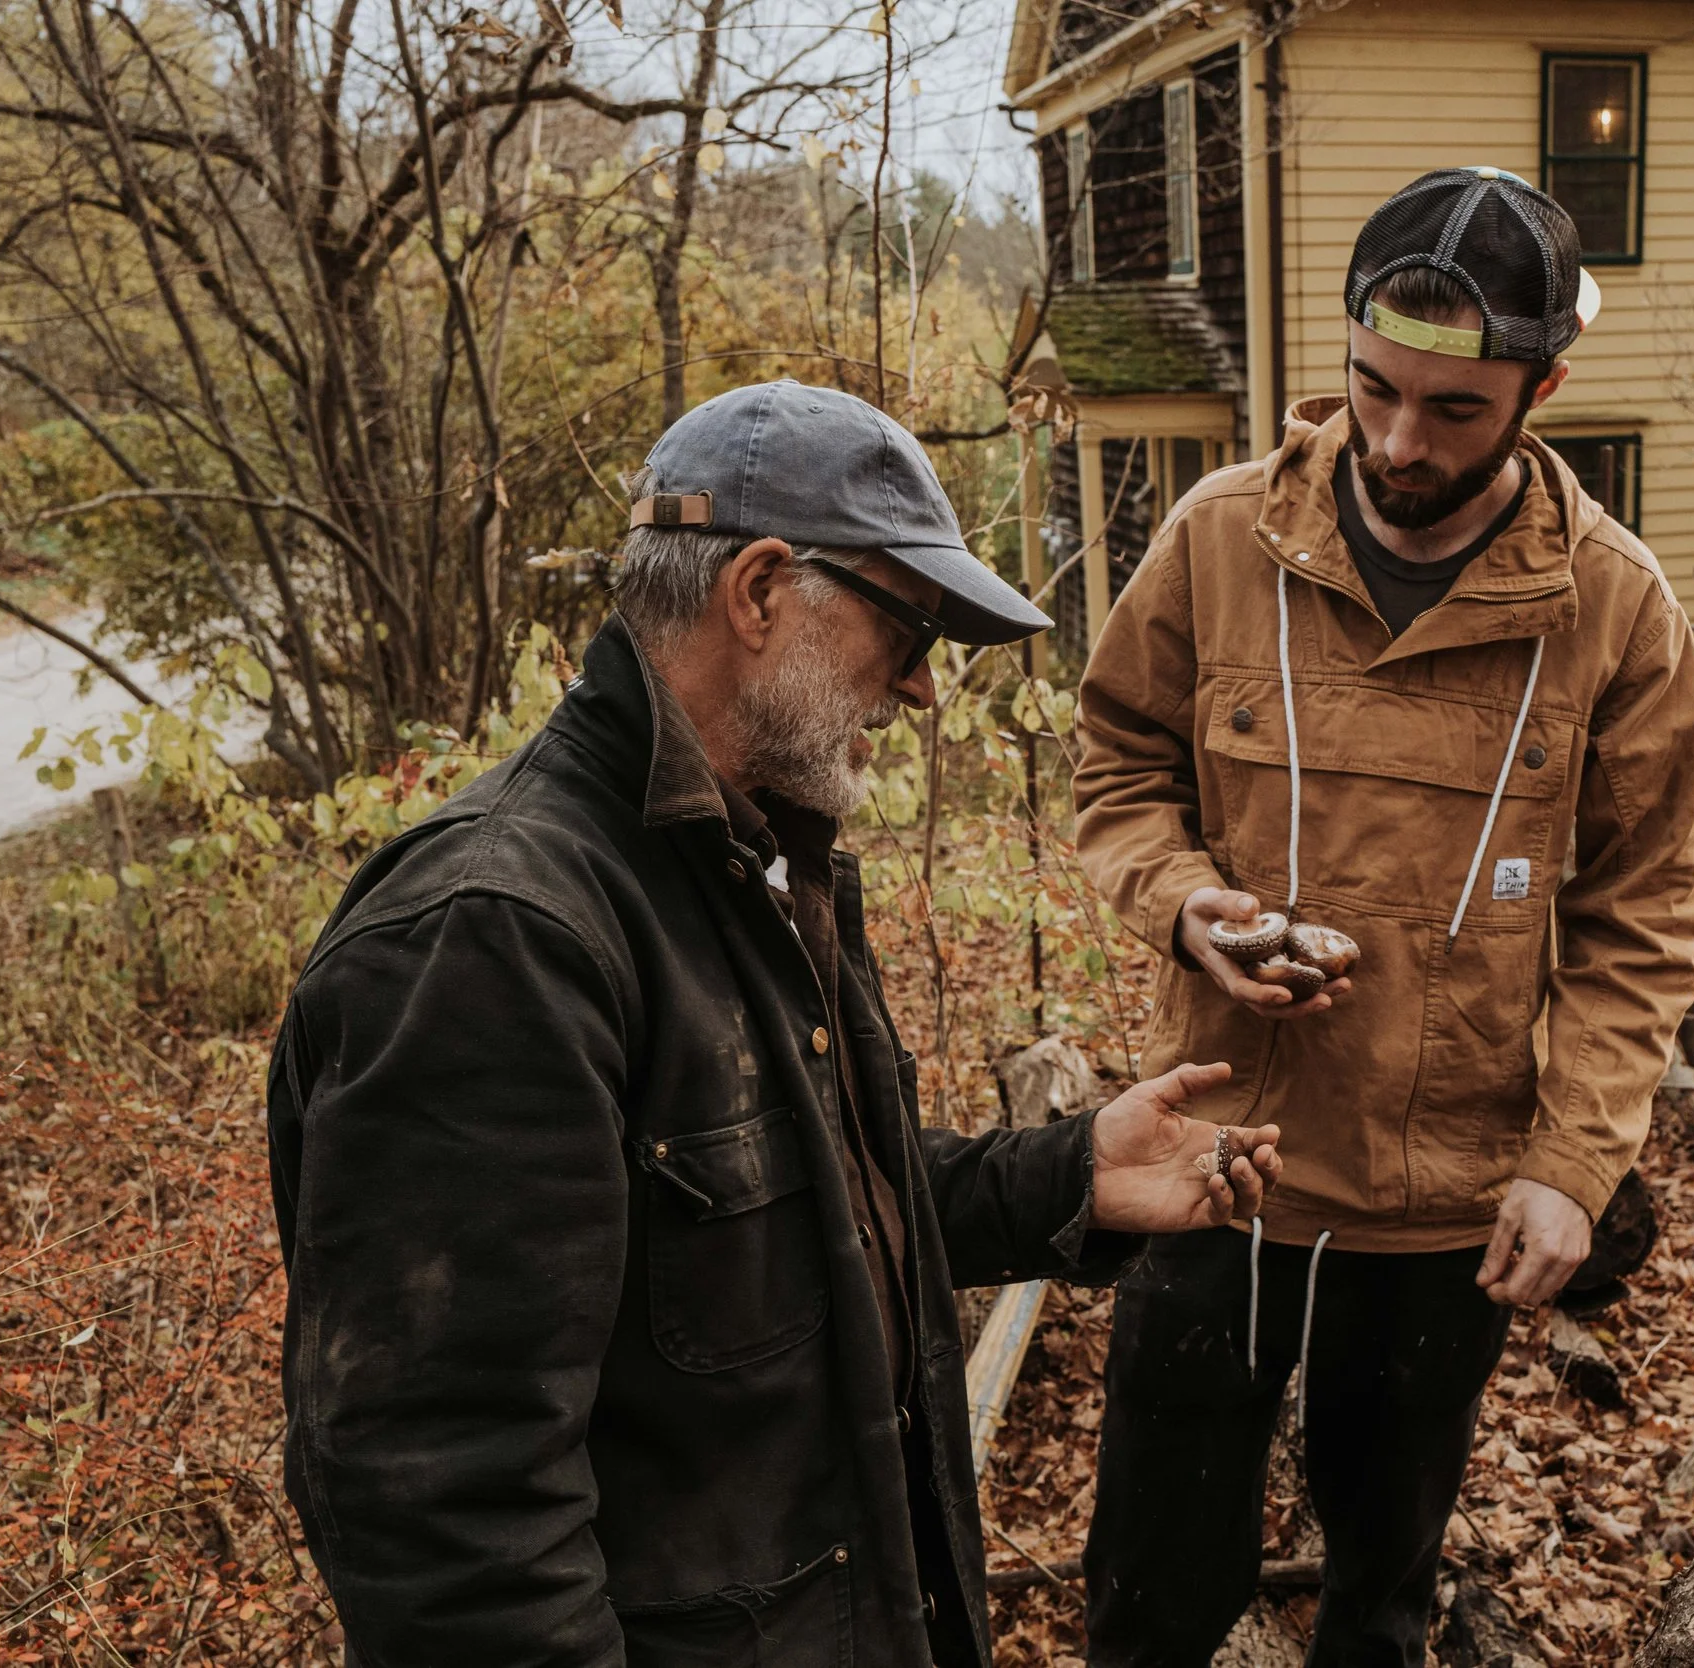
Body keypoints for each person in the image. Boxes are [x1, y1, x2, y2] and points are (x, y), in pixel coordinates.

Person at [266, 380, 1283, 1668]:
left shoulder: (749, 864)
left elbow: (793, 1216)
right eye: (908, 627)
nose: (920, 688)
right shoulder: (494, 942)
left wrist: (1071, 1175)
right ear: (758, 592)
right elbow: (448, 1513)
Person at [1071, 168, 1694, 1667]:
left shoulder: (1616, 610)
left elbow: (1640, 915)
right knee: (1152, 1592)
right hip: (1214, 1163)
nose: (1401, 441)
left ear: (1542, 390)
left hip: (1442, 1207)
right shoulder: (1219, 540)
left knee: (1379, 1600)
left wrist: (1572, 1164)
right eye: (1373, 389)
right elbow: (1115, 764)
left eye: (1455, 409)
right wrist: (1183, 904)